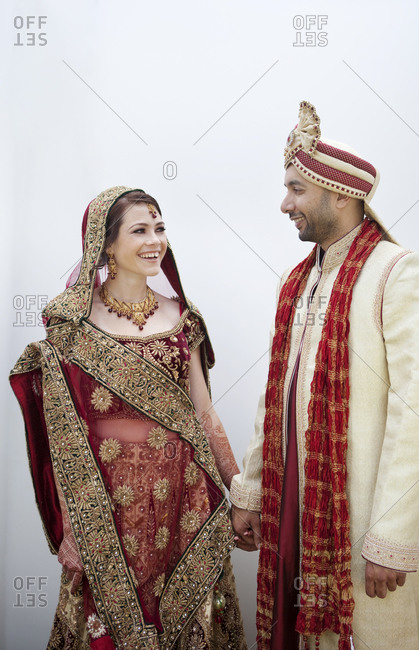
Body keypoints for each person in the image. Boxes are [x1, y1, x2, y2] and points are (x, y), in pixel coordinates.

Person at [230, 101, 419, 649]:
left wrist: (391, 537)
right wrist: (253, 489)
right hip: (295, 517)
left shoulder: (399, 274)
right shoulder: (296, 281)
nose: (285, 204)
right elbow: (274, 401)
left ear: (340, 194)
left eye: (296, 190)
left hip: (360, 532)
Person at [10, 186, 247, 649]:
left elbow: (205, 415)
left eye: (159, 228)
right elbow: (62, 435)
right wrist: (69, 521)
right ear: (105, 244)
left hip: (186, 499)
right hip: (106, 507)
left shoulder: (183, 318)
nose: (154, 240)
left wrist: (240, 495)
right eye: (139, 229)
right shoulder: (71, 327)